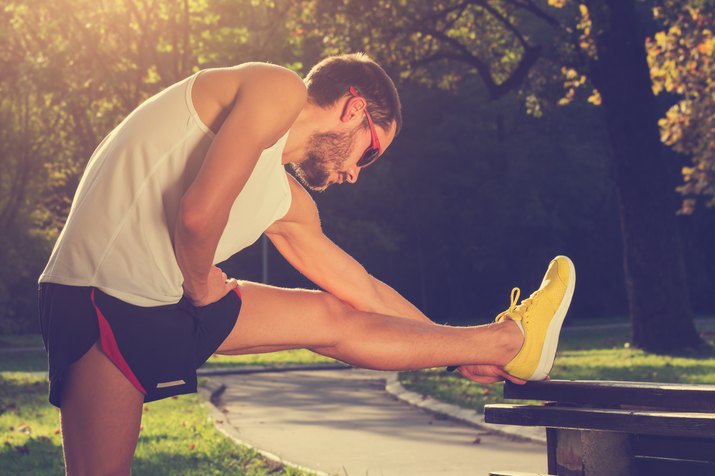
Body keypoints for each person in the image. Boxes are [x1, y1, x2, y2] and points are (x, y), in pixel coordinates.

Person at [38, 53, 575, 475]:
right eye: (369, 152)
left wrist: (453, 354)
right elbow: (198, 217)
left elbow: (362, 290)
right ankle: (507, 340)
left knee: (331, 316)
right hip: (98, 292)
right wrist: (203, 288)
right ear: (353, 107)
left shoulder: (285, 200)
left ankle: (504, 344)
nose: (356, 174)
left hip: (165, 299)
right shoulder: (277, 88)